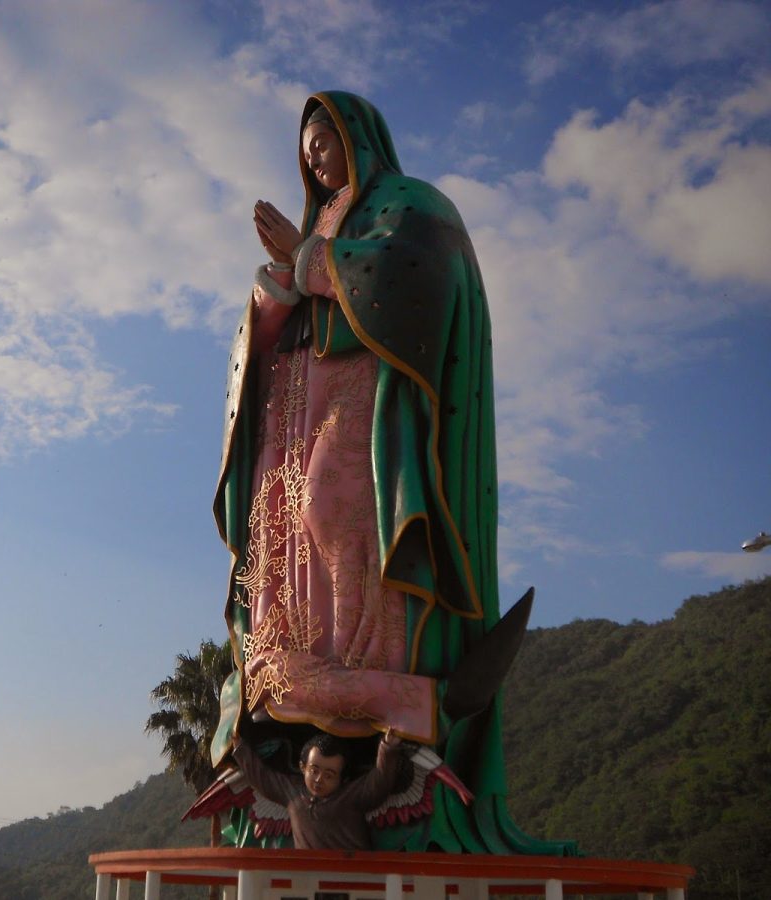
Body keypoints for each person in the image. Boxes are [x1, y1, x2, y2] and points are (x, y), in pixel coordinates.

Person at [211, 92, 576, 855]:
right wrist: (276, 283)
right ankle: (304, 673)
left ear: (357, 137)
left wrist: (311, 261)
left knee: (338, 512)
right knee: (288, 534)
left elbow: (413, 279)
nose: (314, 158)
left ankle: (368, 666)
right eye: (305, 149)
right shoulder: (317, 220)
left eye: (324, 141)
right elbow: (272, 319)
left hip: (365, 398)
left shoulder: (409, 205)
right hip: (296, 402)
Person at [232, 730, 402, 852]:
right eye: (314, 771)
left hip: (351, 875)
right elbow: (262, 777)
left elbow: (380, 780)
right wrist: (239, 746)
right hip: (309, 877)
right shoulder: (292, 791)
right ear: (303, 767)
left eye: (329, 775)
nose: (319, 779)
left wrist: (388, 747)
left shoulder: (352, 796)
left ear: (343, 779)